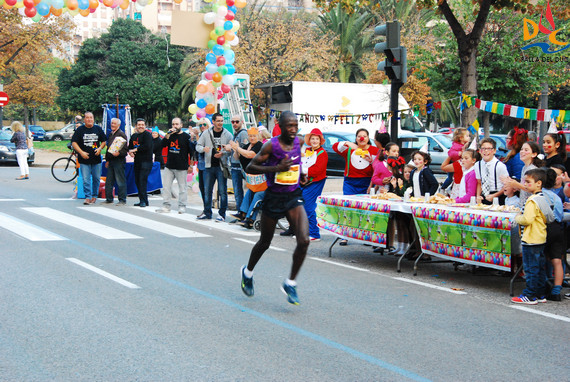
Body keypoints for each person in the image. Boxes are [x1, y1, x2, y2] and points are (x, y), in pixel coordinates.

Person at [240, 111, 309, 305]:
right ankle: (247, 272)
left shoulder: (299, 142)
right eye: (289, 126)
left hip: (293, 195)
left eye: (296, 125)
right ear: (280, 126)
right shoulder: (272, 145)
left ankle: (290, 283)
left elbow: (297, 161)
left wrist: (301, 174)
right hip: (274, 197)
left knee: (304, 240)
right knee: (265, 242)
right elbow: (250, 167)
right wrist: (275, 169)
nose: (293, 130)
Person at [511, 168, 554, 305]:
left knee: (530, 269)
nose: (525, 184)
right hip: (540, 237)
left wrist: (518, 218)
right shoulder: (543, 198)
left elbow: (527, 219)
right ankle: (540, 293)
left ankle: (529, 295)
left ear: (539, 183)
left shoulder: (531, 201)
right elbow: (550, 217)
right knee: (539, 267)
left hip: (530, 239)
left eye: (528, 182)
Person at [332, 128, 379, 245]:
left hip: (366, 182)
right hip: (350, 182)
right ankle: (345, 235)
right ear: (356, 138)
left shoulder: (374, 150)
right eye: (359, 136)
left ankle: (365, 235)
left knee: (365, 209)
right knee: (347, 207)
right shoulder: (348, 149)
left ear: (368, 138)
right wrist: (347, 143)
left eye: (364, 136)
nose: (362, 138)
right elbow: (335, 147)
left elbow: (379, 166)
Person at [195, 113, 232, 221]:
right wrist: (204, 149)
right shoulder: (206, 133)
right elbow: (198, 146)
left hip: (221, 166)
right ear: (213, 122)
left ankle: (222, 214)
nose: (220, 123)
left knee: (222, 191)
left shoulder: (228, 134)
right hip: (208, 166)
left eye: (222, 121)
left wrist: (224, 153)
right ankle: (207, 212)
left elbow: (233, 149)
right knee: (207, 191)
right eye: (218, 121)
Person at [156, 117, 194, 214]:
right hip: (169, 165)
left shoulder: (186, 137)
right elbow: (161, 145)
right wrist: (167, 135)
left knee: (182, 188)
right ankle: (166, 206)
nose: (175, 126)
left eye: (177, 124)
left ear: (181, 125)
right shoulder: (170, 136)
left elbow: (192, 152)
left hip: (181, 166)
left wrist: (191, 165)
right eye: (173, 124)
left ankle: (182, 206)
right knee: (166, 187)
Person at [229, 127, 265, 228]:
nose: (252, 138)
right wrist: (235, 150)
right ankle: (242, 213)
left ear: (258, 136)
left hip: (262, 179)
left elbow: (250, 155)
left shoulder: (259, 146)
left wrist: (237, 148)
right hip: (253, 179)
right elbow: (237, 157)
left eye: (254, 136)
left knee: (257, 195)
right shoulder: (246, 145)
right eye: (250, 136)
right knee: (250, 192)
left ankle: (250, 219)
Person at [71, 112, 107, 205]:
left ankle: (94, 196)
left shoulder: (98, 129)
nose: (89, 119)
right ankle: (87, 197)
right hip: (84, 159)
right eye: (87, 118)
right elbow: (74, 143)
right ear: (84, 119)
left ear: (93, 119)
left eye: (91, 117)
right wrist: (81, 152)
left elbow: (104, 141)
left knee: (96, 179)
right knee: (86, 179)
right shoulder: (80, 130)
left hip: (96, 159)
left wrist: (100, 148)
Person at [542, 168, 565, 301]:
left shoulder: (539, 196)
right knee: (557, 260)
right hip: (557, 228)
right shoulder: (556, 197)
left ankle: (545, 282)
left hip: (544, 228)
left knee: (541, 256)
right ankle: (557, 290)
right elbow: (560, 215)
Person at [301, 128, 328, 241]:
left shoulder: (323, 154)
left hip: (315, 182)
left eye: (317, 139)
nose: (314, 141)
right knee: (301, 206)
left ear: (320, 141)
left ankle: (314, 234)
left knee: (309, 206)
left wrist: (303, 170)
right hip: (305, 181)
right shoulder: (307, 150)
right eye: (312, 138)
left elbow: (317, 170)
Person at [501, 141, 544, 208]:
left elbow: (531, 189)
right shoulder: (524, 167)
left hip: (531, 206)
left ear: (534, 154)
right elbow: (523, 188)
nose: (522, 152)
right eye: (521, 149)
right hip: (524, 204)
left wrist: (515, 184)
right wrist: (510, 182)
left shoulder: (532, 169)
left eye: (526, 150)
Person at [475, 137, 509, 205]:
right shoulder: (477, 165)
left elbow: (507, 185)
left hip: (498, 195)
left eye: (489, 149)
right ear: (480, 150)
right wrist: (478, 196)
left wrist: (495, 195)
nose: (486, 151)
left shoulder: (500, 166)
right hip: (484, 194)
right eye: (483, 148)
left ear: (494, 151)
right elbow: (479, 182)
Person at [128, 119, 153, 208]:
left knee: (142, 180)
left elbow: (147, 146)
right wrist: (130, 152)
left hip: (146, 162)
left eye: (142, 124)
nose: (141, 126)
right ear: (136, 126)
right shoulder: (134, 136)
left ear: (145, 126)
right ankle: (143, 200)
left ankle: (143, 201)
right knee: (137, 181)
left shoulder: (147, 135)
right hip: (137, 161)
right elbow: (130, 147)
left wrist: (135, 150)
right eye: (139, 124)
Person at [103, 118, 128, 205]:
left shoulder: (121, 135)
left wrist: (119, 153)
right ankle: (109, 198)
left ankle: (122, 199)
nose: (112, 125)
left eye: (114, 124)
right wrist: (107, 160)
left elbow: (125, 150)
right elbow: (108, 149)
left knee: (120, 181)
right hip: (111, 161)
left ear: (118, 125)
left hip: (119, 161)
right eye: (112, 123)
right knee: (109, 181)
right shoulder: (111, 134)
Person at [229, 115, 249, 214]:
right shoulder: (236, 133)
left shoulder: (243, 133)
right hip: (235, 164)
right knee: (237, 191)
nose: (235, 124)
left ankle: (242, 212)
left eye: (237, 122)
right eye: (233, 122)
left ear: (241, 121)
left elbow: (245, 150)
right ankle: (240, 212)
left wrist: (235, 148)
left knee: (239, 191)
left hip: (240, 165)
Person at [195, 118, 211, 216]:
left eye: (204, 124)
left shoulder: (209, 135)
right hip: (201, 164)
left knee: (206, 189)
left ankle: (207, 210)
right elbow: (198, 147)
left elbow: (202, 147)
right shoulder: (201, 135)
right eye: (200, 125)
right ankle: (206, 209)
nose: (202, 127)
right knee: (202, 188)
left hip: (208, 165)